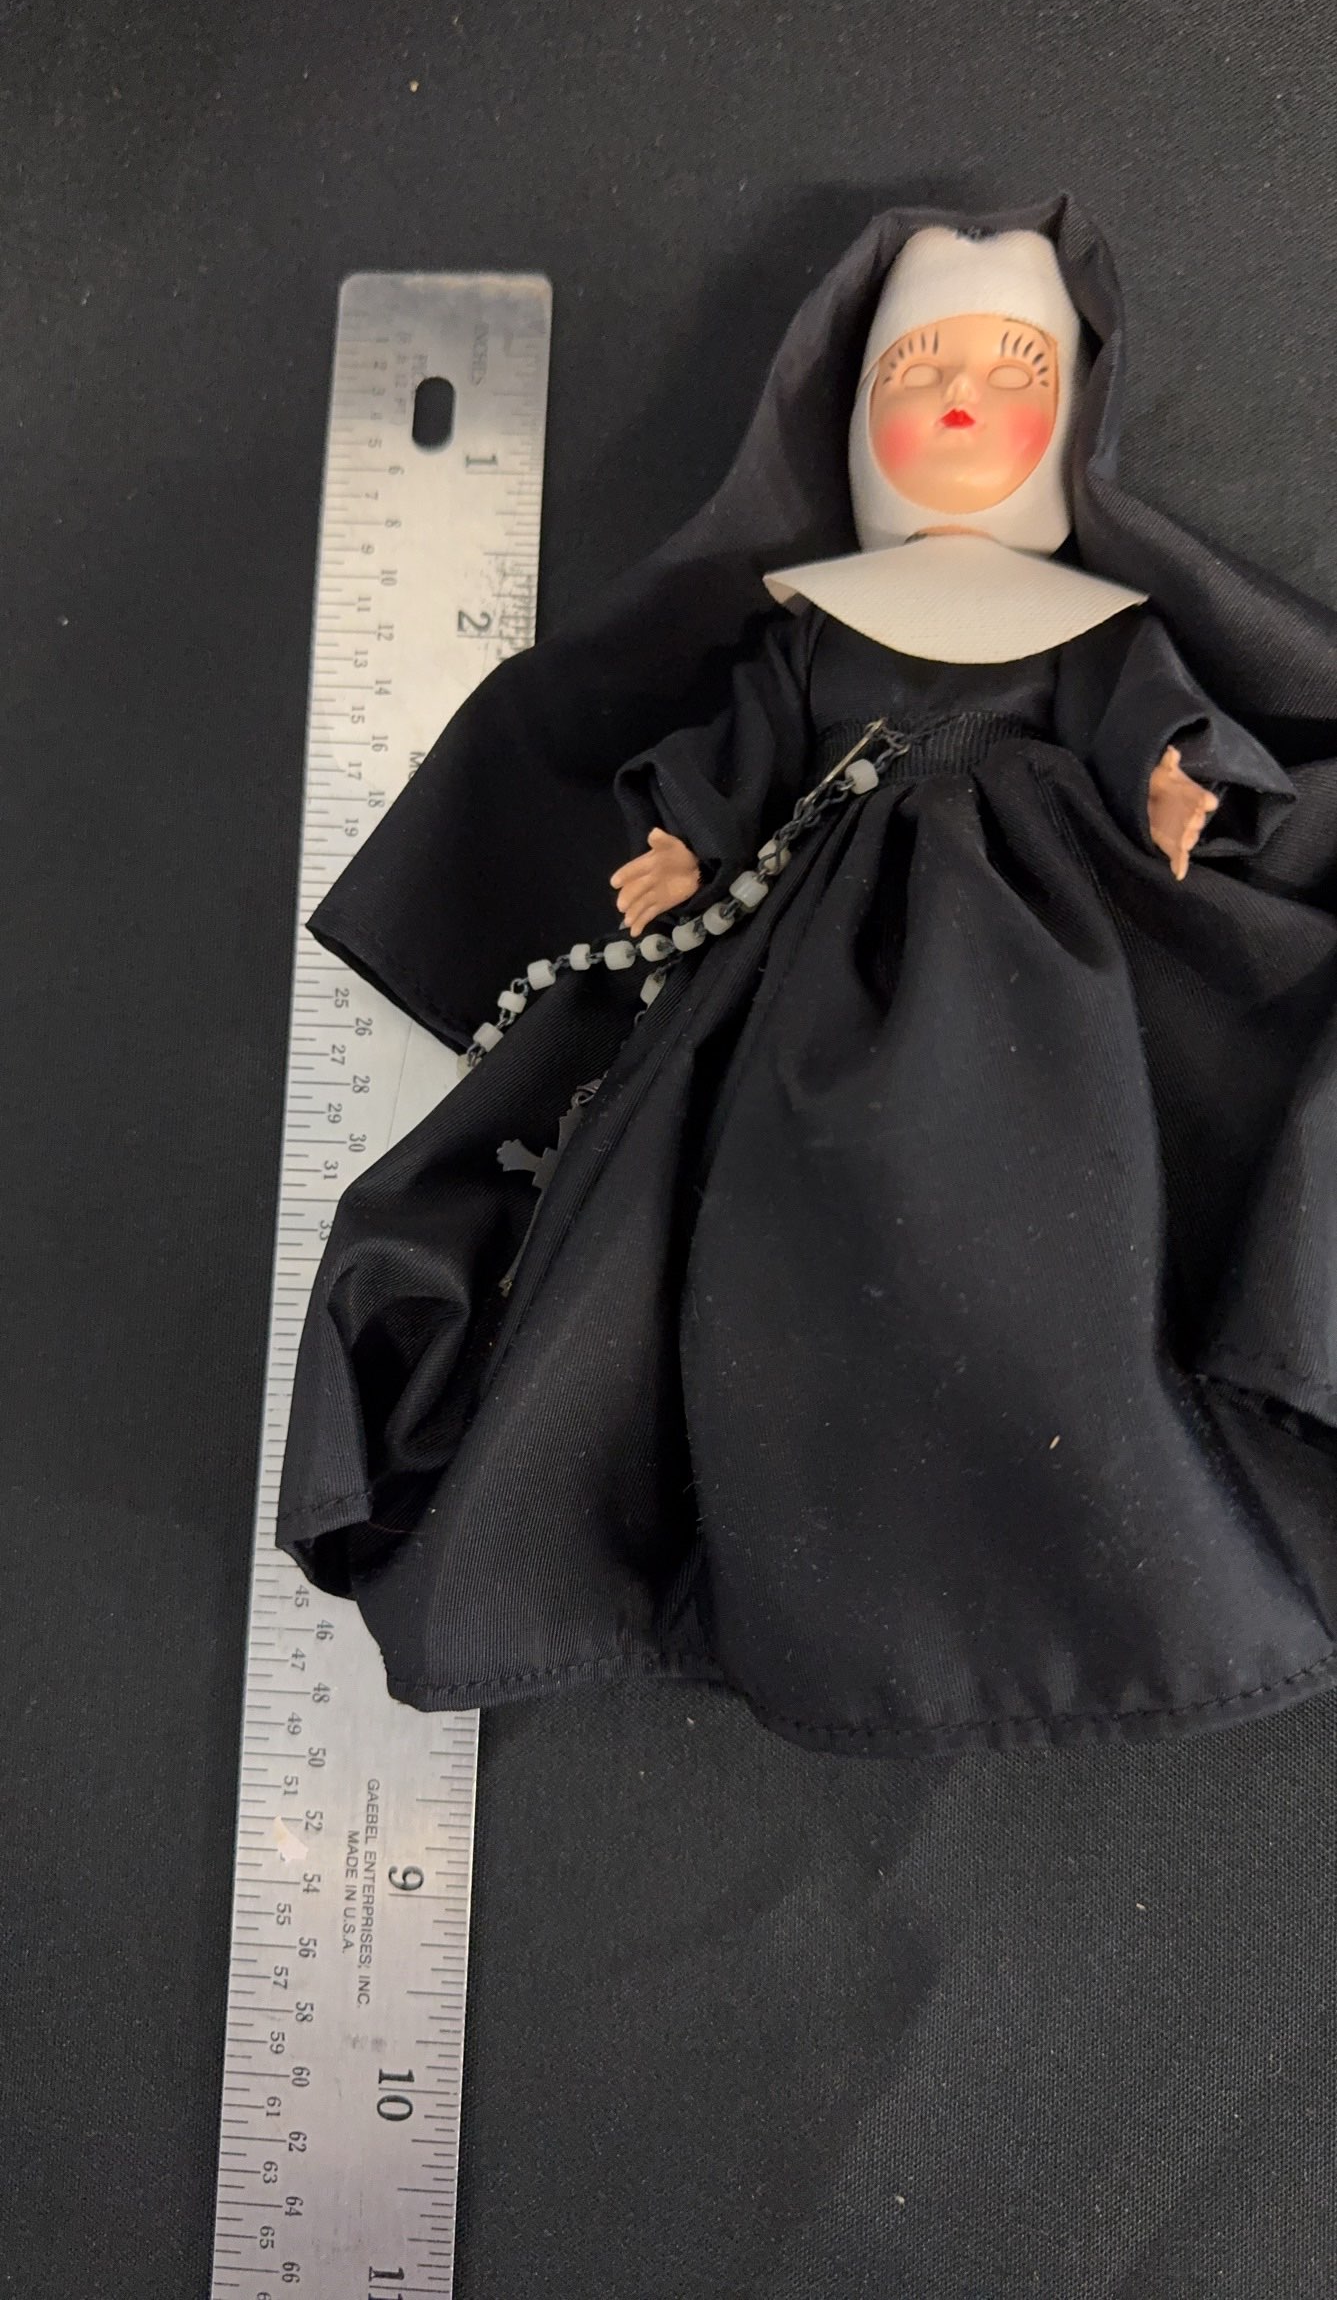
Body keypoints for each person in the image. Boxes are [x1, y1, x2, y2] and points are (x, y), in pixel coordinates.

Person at [276, 191, 1337, 1763]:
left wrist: (1179, 783)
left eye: (1007, 374)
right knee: (738, 1220)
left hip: (1052, 981)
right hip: (806, 965)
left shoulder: (1089, 627)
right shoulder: (814, 630)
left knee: (1079, 1231)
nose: (958, 398)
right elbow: (741, 751)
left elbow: (1146, 719)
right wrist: (684, 846)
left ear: (1065, 425)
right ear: (851, 423)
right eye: (916, 370)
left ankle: (1112, 1531)